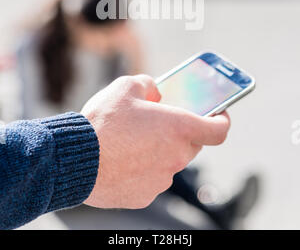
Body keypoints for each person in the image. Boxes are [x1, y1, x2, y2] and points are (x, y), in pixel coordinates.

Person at [0, 74, 230, 230]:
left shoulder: (112, 50)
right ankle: (210, 203)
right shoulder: (36, 48)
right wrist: (85, 148)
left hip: (68, 158)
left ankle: (209, 201)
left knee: (158, 147)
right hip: (67, 166)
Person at [16, 0, 144, 120]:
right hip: (49, 133)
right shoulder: (35, 44)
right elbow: (33, 116)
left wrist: (136, 55)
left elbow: (132, 106)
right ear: (75, 22)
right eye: (101, 35)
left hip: (89, 133)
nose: (104, 44)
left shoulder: (116, 48)